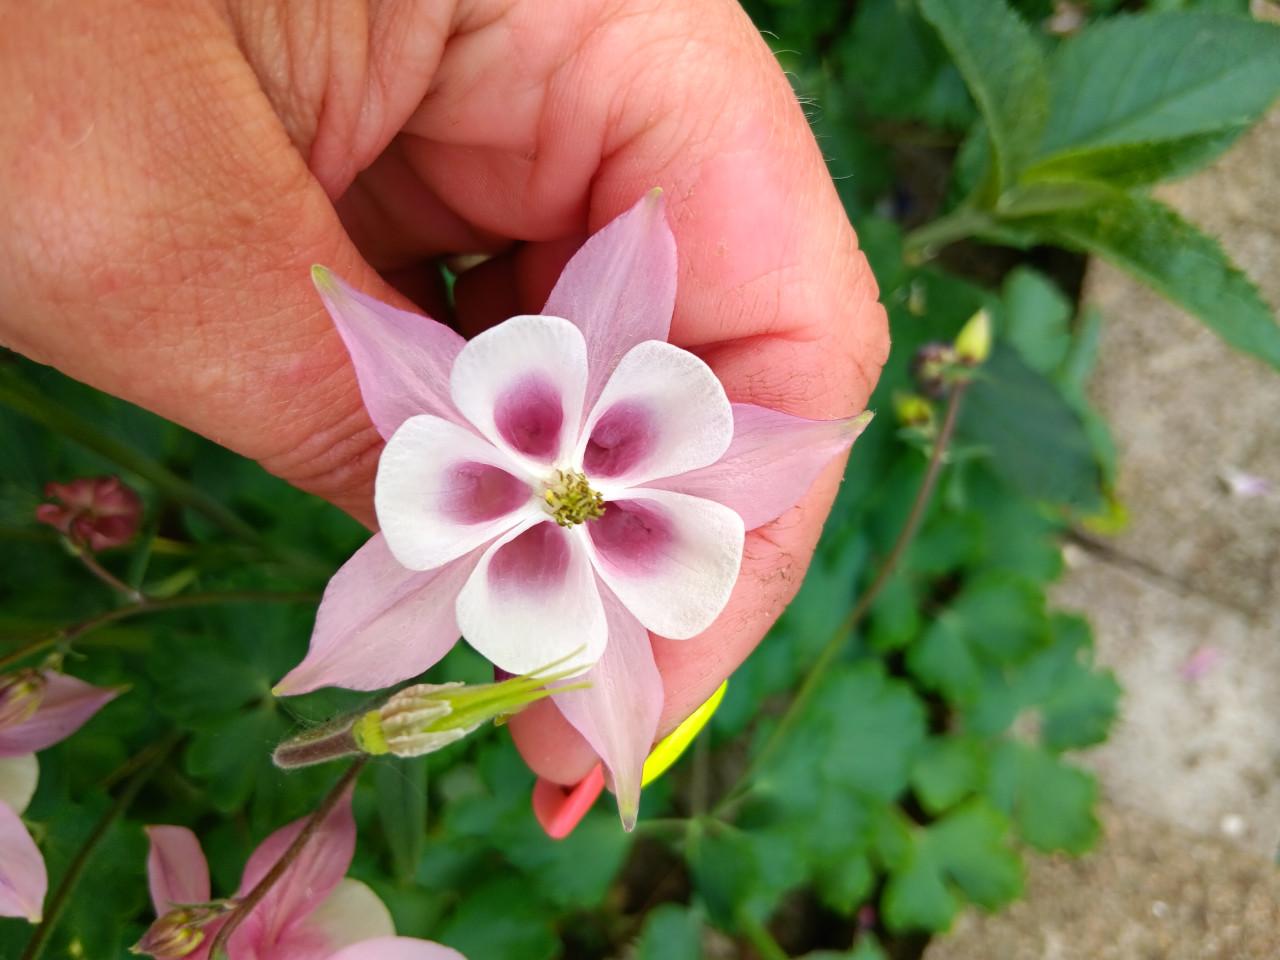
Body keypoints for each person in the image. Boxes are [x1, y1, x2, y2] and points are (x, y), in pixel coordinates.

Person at [0, 0, 888, 791]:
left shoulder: (591, 602)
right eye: (574, 491)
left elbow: (787, 449)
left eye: (572, 496)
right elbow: (402, 338)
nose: (571, 496)